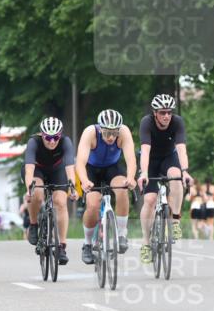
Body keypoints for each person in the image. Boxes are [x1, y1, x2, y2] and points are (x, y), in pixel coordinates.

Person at [136, 93, 193, 264]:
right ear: (155, 113)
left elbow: (181, 149)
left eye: (169, 112)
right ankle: (146, 243)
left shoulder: (177, 122)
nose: (166, 116)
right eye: (162, 112)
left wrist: (185, 171)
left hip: (169, 158)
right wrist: (144, 173)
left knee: (176, 176)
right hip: (150, 161)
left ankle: (175, 220)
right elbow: (145, 151)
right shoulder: (147, 123)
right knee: (150, 199)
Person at [75, 109, 137, 264]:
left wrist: (130, 178)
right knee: (93, 204)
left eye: (114, 133)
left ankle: (122, 234)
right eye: (107, 133)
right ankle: (88, 244)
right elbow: (80, 163)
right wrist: (84, 181)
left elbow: (130, 160)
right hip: (91, 170)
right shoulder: (90, 132)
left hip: (112, 168)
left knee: (123, 190)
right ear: (100, 128)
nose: (111, 137)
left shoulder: (124, 132)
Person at [21, 116, 77, 264]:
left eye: (55, 137)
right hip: (37, 170)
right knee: (37, 195)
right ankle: (33, 224)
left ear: (60, 135)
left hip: (56, 170)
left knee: (60, 201)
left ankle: (62, 246)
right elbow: (29, 170)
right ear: (42, 135)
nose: (52, 141)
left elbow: (70, 167)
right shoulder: (34, 142)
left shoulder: (66, 142)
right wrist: (29, 189)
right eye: (48, 137)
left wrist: (73, 186)